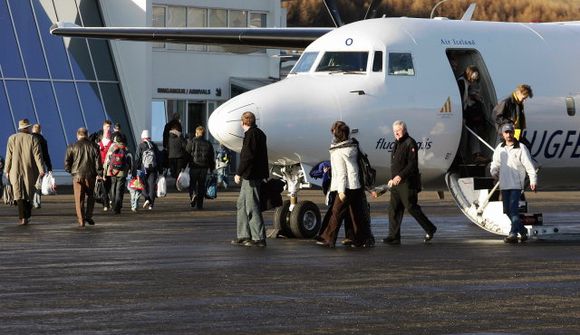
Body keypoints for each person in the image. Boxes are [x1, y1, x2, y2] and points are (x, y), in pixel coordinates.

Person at [372, 120, 437, 245]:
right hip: (396, 183)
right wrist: (393, 178)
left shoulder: (410, 143)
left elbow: (412, 164)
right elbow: (396, 164)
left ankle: (430, 228)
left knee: (411, 207)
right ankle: (394, 236)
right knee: (393, 209)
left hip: (408, 182)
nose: (396, 133)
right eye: (394, 131)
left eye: (399, 130)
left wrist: (400, 176)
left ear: (405, 130)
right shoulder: (396, 144)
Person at [316, 121, 372, 248]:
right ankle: (361, 239)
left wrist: (341, 191)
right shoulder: (353, 146)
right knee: (356, 213)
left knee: (336, 212)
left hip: (345, 187)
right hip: (356, 184)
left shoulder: (338, 152)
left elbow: (342, 173)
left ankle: (328, 238)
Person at [490, 123, 538, 243]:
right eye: (506, 133)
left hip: (516, 184)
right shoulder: (499, 149)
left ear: (513, 133)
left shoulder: (521, 147)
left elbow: (529, 165)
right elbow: (495, 163)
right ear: (502, 134)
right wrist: (493, 171)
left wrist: (533, 180)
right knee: (507, 210)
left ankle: (513, 233)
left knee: (513, 210)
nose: (509, 135)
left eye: (510, 132)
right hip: (504, 184)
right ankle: (522, 231)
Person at [231, 111, 269, 247]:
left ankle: (258, 237)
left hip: (251, 176)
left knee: (252, 205)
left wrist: (238, 173)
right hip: (253, 175)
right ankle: (244, 234)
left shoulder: (251, 135)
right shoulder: (259, 133)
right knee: (241, 204)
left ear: (243, 122)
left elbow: (247, 156)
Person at [4, 119, 45, 225]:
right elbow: (38, 156)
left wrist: (6, 170)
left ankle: (22, 217)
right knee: (29, 191)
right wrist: (41, 170)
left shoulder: (12, 138)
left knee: (18, 193)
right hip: (30, 169)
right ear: (27, 128)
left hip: (15, 169)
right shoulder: (33, 139)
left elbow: (9, 156)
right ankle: (27, 215)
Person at [64, 127, 102, 227]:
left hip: (77, 176)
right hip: (90, 176)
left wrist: (72, 172)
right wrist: (99, 174)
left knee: (79, 199)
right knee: (91, 196)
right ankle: (88, 215)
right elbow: (98, 163)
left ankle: (81, 221)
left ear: (78, 135)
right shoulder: (94, 146)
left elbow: (67, 163)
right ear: (87, 134)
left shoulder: (72, 146)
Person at [457, 65, 487, 163]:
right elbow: (460, 100)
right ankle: (462, 157)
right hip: (461, 113)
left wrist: (474, 96)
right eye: (473, 78)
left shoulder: (468, 84)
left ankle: (476, 154)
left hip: (466, 113)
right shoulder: (461, 82)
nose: (474, 81)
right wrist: (463, 116)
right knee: (464, 136)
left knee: (473, 130)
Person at [186, 126, 215, 210]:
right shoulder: (208, 143)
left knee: (192, 184)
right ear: (204, 134)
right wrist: (212, 168)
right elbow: (211, 157)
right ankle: (200, 205)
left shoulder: (192, 142)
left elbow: (187, 154)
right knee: (202, 186)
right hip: (204, 168)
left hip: (194, 167)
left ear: (196, 133)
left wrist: (183, 166)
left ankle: (193, 195)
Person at [133, 130, 162, 210]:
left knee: (141, 184)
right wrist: (160, 170)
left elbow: (137, 159)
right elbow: (158, 158)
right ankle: (151, 204)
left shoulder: (140, 146)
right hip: (153, 168)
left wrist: (136, 170)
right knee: (152, 186)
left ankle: (147, 198)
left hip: (143, 168)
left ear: (142, 138)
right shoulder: (154, 145)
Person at [103, 133, 131, 214]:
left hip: (111, 171)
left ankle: (113, 204)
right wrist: (133, 171)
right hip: (122, 172)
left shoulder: (112, 147)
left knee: (113, 186)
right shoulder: (126, 148)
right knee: (119, 189)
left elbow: (107, 160)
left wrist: (104, 172)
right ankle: (117, 207)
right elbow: (131, 161)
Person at [30, 124, 53, 208]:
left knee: (29, 182)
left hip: (29, 163)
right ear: (40, 130)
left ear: (32, 129)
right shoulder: (43, 140)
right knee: (38, 183)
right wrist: (49, 166)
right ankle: (37, 202)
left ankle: (29, 200)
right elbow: (46, 155)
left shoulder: (28, 138)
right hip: (40, 164)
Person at [95, 120, 113, 211]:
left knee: (109, 186)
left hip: (111, 168)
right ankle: (106, 204)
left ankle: (109, 201)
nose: (108, 129)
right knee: (103, 186)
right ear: (103, 127)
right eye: (106, 127)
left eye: (109, 127)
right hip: (101, 167)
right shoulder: (99, 143)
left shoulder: (113, 143)